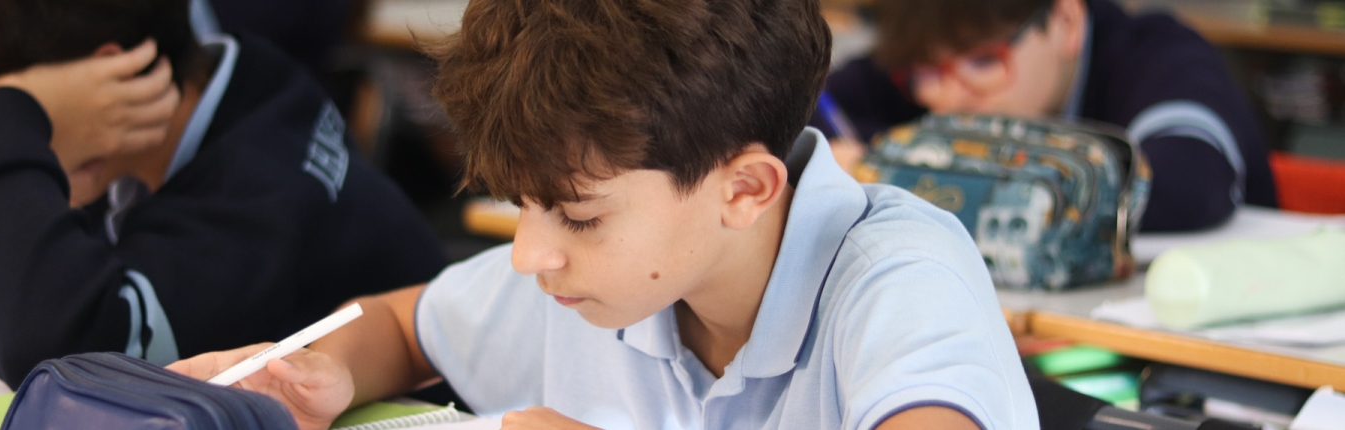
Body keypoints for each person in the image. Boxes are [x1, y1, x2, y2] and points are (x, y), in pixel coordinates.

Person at [170, 0, 1038, 429]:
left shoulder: (901, 277)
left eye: (578, 217)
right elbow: (406, 326)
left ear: (745, 189)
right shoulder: (610, 278)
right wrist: (327, 374)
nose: (528, 255)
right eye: (524, 207)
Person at [0, 0, 447, 386]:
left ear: (109, 79)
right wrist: (22, 130)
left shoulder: (260, 193)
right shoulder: (213, 91)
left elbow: (60, 351)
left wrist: (15, 116)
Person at [826, 0, 1277, 232]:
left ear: (1065, 21)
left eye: (983, 63)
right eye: (925, 72)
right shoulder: (933, 65)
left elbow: (1187, 184)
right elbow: (809, 119)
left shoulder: (1160, 58)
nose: (948, 98)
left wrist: (888, 170)